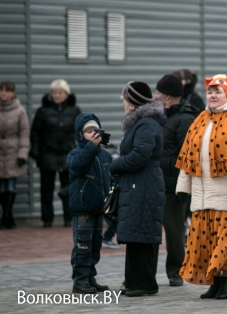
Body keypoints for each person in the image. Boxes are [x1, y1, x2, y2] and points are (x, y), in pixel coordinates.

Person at [176, 74, 227, 300]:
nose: (213, 96)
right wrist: (183, 189)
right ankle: (214, 282)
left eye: (218, 92)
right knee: (206, 241)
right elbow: (187, 158)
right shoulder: (200, 120)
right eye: (210, 92)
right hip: (201, 194)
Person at [109, 81, 165, 297]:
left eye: (125, 99)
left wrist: (114, 164)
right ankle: (134, 281)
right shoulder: (142, 123)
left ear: (132, 101)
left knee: (141, 232)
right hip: (138, 183)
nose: (123, 103)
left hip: (143, 183)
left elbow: (140, 156)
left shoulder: (146, 125)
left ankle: (144, 283)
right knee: (136, 232)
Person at [155, 74, 198, 287]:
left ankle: (176, 271)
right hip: (156, 181)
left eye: (158, 93)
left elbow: (187, 153)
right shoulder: (160, 115)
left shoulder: (185, 119)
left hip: (173, 183)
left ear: (168, 97)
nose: (155, 96)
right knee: (153, 229)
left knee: (174, 230)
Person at [67, 113, 112, 294]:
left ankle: (90, 277)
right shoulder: (76, 153)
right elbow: (77, 166)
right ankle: (80, 280)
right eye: (88, 131)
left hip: (98, 206)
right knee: (82, 245)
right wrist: (91, 148)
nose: (93, 133)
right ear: (80, 134)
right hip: (83, 207)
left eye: (95, 129)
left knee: (95, 244)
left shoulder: (104, 155)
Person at [30, 79, 81, 228]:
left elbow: (81, 132)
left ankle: (68, 218)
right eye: (54, 93)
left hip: (68, 154)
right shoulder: (43, 111)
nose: (57, 95)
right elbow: (35, 133)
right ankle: (47, 219)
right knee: (46, 189)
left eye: (60, 93)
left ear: (66, 94)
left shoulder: (74, 110)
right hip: (47, 155)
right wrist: (36, 152)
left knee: (69, 188)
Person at [0, 81, 30, 229]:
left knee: (10, 185)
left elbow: (24, 134)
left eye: (7, 91)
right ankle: (8, 217)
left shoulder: (20, 111)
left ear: (13, 93)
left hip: (13, 152)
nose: (3, 93)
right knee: (1, 186)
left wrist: (22, 154)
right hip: (0, 153)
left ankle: (6, 216)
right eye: (1, 90)